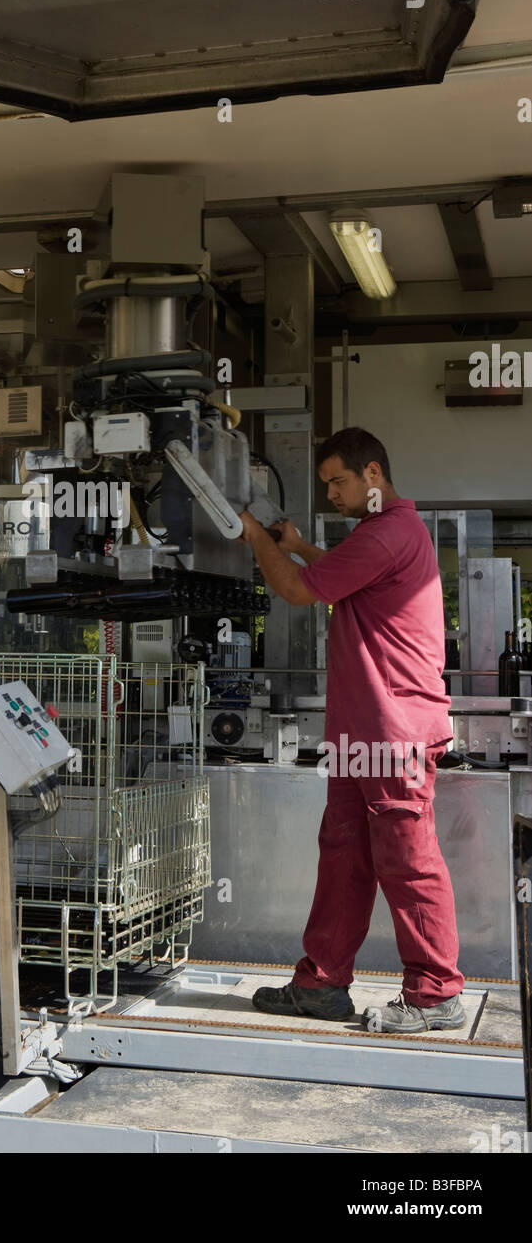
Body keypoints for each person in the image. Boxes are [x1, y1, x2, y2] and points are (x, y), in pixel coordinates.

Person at [239, 428, 464, 1033]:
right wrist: (302, 545)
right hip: (363, 732)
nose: (332, 492)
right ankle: (321, 983)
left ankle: (435, 993)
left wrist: (256, 536)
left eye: (338, 481)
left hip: (392, 732)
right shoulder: (379, 535)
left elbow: (293, 590)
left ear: (372, 473)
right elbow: (337, 574)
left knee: (407, 859)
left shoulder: (389, 530)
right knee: (344, 855)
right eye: (325, 485)